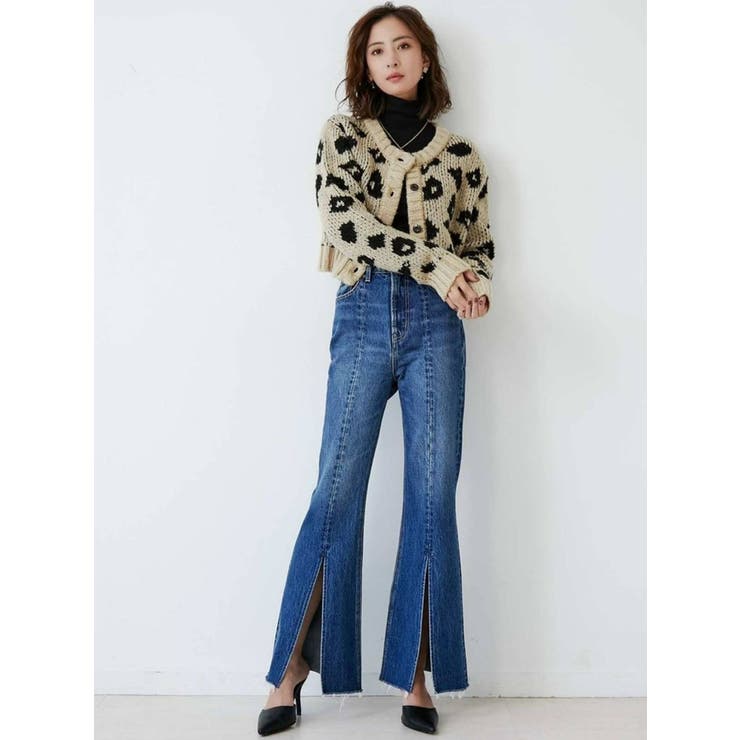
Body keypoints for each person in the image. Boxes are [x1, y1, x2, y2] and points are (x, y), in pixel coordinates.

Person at [258, 3, 494, 735]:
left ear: (426, 59)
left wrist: (475, 287)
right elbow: (344, 222)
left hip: (437, 329)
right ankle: (292, 668)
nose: (390, 59)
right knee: (335, 491)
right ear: (363, 66)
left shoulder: (463, 157)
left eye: (403, 46)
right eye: (376, 50)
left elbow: (479, 248)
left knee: (432, 497)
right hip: (363, 314)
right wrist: (440, 266)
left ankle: (415, 676)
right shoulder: (344, 136)